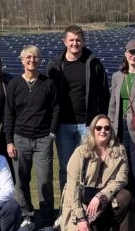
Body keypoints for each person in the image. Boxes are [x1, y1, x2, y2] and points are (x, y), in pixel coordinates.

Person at [46, 25, 110, 199]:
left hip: (87, 125)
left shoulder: (94, 63)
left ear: (84, 41)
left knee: (87, 167)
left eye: (78, 40)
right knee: (66, 168)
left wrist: (101, 121)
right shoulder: (55, 66)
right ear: (64, 42)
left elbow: (104, 93)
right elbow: (48, 96)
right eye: (71, 40)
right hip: (63, 126)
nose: (75, 43)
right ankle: (66, 205)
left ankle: (85, 204)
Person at [55, 115, 135, 231]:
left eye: (107, 128)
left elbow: (121, 179)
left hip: (106, 201)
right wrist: (81, 218)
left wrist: (100, 196)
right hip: (83, 203)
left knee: (125, 195)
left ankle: (108, 229)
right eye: (99, 128)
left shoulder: (119, 150)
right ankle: (100, 230)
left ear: (111, 131)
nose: (103, 131)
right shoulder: (80, 152)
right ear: (93, 130)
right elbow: (72, 188)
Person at [4, 45, 60, 231]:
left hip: (43, 139)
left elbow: (55, 109)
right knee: (21, 181)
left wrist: (51, 134)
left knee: (44, 181)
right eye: (28, 57)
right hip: (20, 139)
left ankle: (47, 222)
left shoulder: (48, 83)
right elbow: (9, 113)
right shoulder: (14, 84)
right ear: (22, 60)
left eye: (35, 57)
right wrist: (9, 140)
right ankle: (27, 217)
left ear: (40, 60)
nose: (32, 60)